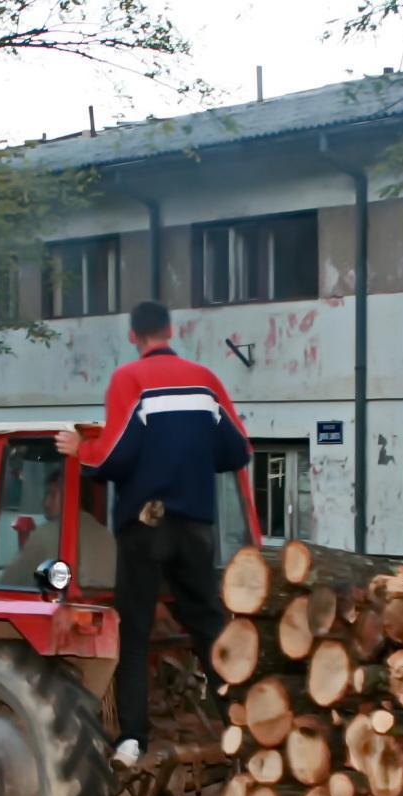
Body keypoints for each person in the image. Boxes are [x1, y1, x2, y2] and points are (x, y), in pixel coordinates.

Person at [56, 300, 251, 766]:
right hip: (196, 528)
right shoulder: (205, 379)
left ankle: (134, 739)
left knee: (135, 629)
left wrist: (79, 449)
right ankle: (239, 726)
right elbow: (237, 450)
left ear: (133, 336)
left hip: (145, 527)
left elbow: (115, 456)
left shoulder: (130, 380)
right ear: (170, 329)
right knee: (208, 626)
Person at [0, 466, 116, 588]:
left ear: (72, 496)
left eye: (52, 494)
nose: (45, 503)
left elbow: (8, 583)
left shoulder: (45, 534)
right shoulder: (106, 535)